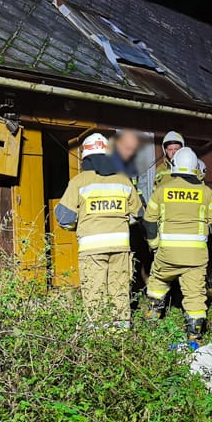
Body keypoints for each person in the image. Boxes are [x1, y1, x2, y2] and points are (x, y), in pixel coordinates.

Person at [56, 133, 143, 329]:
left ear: (85, 156)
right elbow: (138, 214)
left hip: (91, 249)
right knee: (119, 291)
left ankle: (98, 340)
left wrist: (79, 226)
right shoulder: (124, 180)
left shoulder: (79, 181)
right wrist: (119, 222)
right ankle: (120, 338)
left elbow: (64, 218)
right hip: (120, 248)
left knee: (95, 293)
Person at [144, 147, 212, 340]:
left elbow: (149, 221)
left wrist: (154, 244)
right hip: (196, 258)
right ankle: (195, 337)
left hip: (167, 254)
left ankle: (152, 318)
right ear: (195, 168)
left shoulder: (161, 191)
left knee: (157, 281)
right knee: (195, 296)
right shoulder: (206, 193)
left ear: (174, 166)